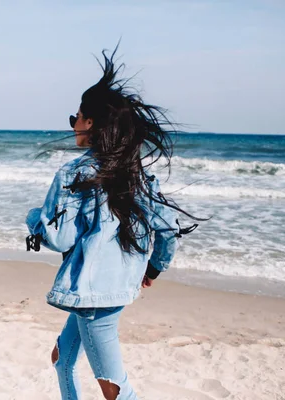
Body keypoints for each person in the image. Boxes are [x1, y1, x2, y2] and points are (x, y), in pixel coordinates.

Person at [25, 47, 197, 400]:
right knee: (61, 358)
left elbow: (59, 237)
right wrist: (154, 268)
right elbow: (167, 230)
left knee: (113, 387)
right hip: (115, 287)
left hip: (92, 293)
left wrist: (33, 220)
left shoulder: (75, 173)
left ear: (89, 123)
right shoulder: (137, 174)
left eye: (76, 117)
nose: (73, 125)